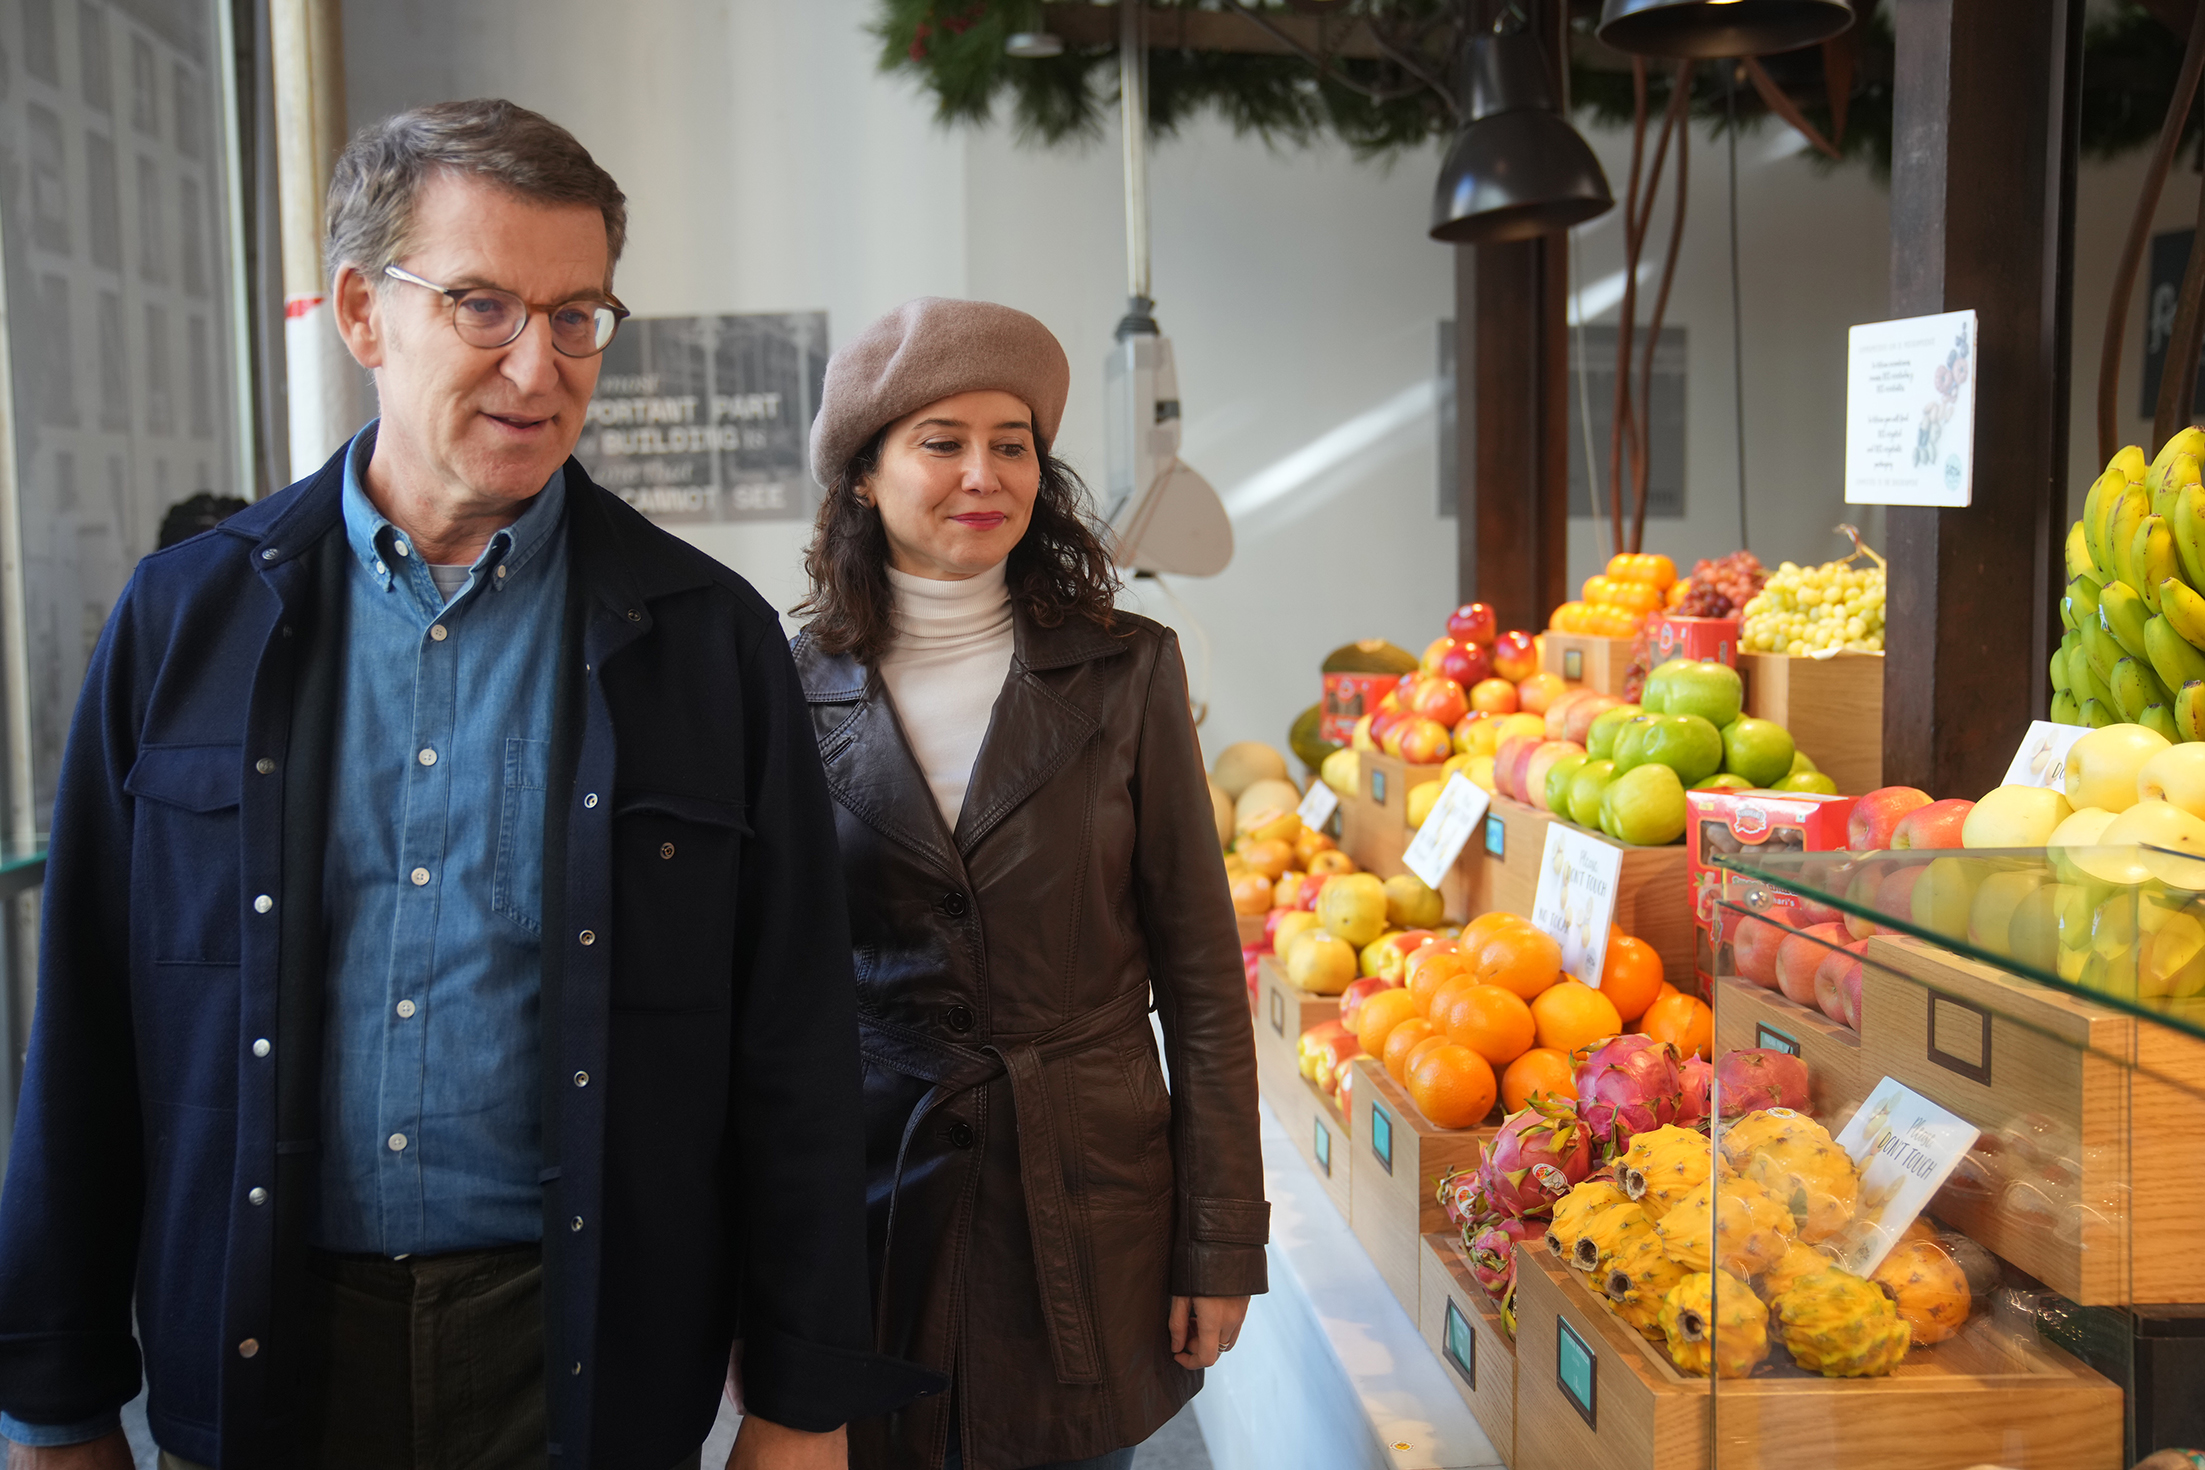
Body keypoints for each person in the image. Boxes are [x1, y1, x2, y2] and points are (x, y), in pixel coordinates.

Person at [0, 99, 932, 1470]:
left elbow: (792, 1042)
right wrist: (54, 1397)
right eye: (483, 305)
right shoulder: (182, 621)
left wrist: (803, 1402)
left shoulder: (706, 641)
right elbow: (83, 1025)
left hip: (582, 1349)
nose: (538, 366)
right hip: (262, 1334)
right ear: (363, 312)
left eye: (576, 316)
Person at [792, 298, 1270, 1470]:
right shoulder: (784, 688)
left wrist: (1220, 1242)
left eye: (1011, 444)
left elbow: (1204, 986)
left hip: (1087, 1207)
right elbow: (760, 999)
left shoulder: (1129, 672)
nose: (983, 474)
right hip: (871, 1200)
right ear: (865, 477)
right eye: (941, 442)